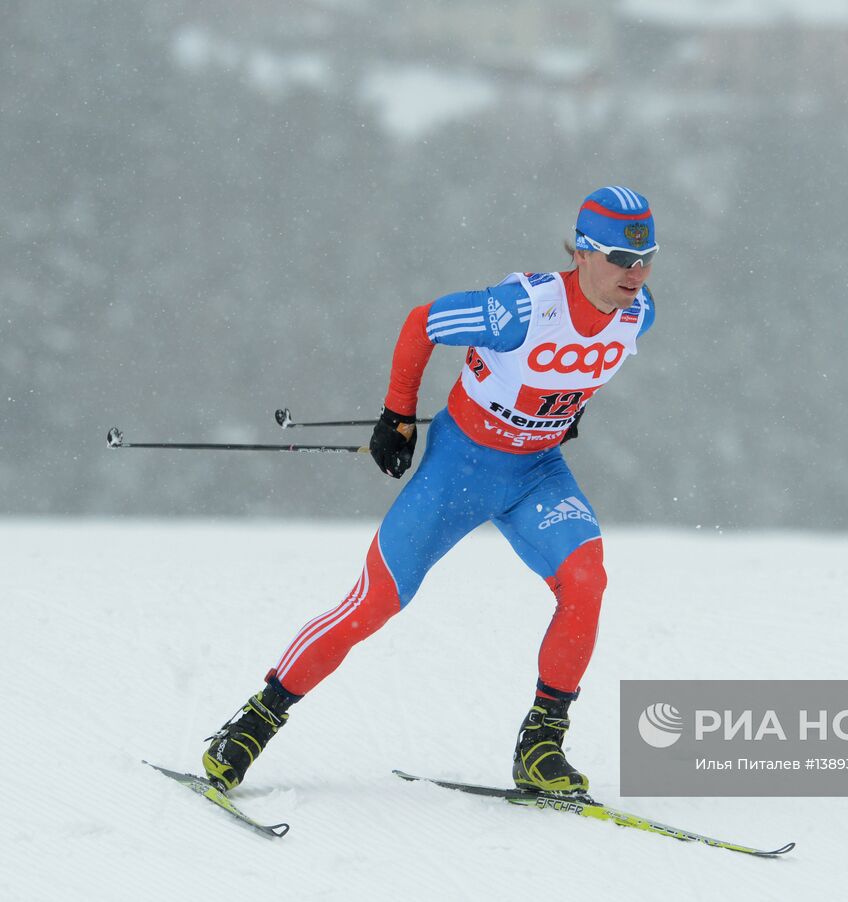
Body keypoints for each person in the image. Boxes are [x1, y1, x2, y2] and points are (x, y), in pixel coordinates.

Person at [202, 186, 658, 798]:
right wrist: (396, 415)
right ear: (581, 252)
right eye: (621, 259)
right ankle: (257, 719)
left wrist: (562, 412)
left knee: (586, 582)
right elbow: (423, 322)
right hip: (458, 472)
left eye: (646, 258)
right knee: (375, 603)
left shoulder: (638, 314)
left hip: (536, 475)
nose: (636, 273)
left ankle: (541, 746)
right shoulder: (518, 309)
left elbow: (570, 374)